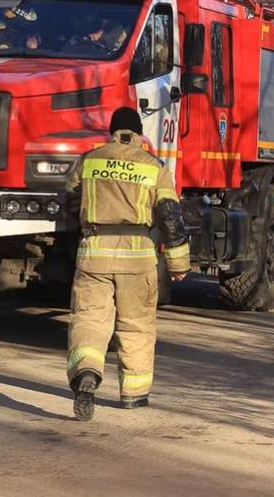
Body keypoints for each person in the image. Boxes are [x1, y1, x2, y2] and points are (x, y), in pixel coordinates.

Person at [64, 107, 190, 421]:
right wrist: (178, 264)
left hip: (94, 252)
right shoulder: (154, 167)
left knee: (90, 319)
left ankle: (86, 372)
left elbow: (67, 204)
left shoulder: (89, 160)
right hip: (138, 257)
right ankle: (133, 394)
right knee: (136, 327)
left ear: (112, 131)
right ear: (137, 134)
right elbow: (171, 218)